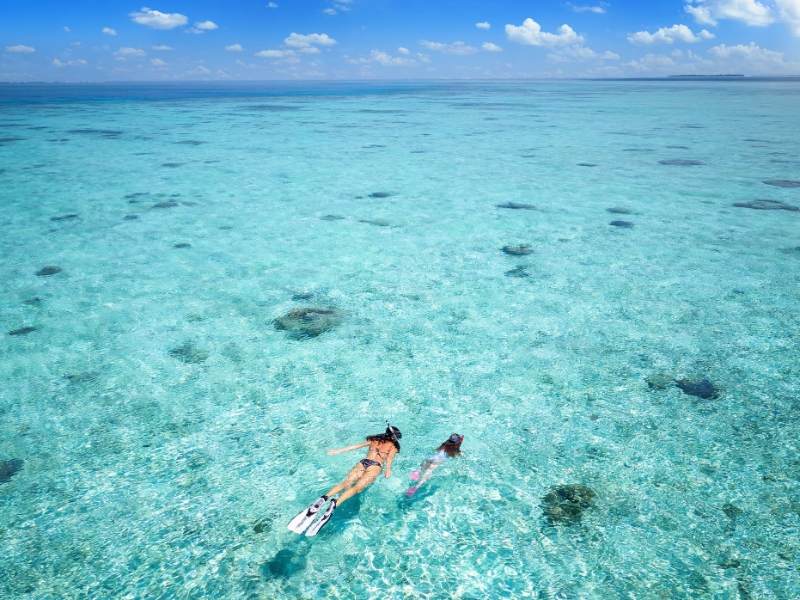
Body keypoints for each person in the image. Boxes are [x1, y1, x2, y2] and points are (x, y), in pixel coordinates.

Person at [288, 423, 401, 536]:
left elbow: (356, 446)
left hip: (363, 462)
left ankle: (325, 497)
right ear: (393, 436)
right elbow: (389, 458)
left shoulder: (375, 440)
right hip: (375, 466)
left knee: (346, 483)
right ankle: (335, 504)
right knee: (357, 488)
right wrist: (388, 469)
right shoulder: (393, 447)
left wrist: (338, 451)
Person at [405, 433, 464, 498]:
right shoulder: (454, 449)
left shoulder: (444, 445)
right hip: (436, 461)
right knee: (425, 477)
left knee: (423, 469)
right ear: (456, 444)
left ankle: (418, 472)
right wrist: (464, 455)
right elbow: (461, 454)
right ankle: (415, 488)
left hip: (430, 458)